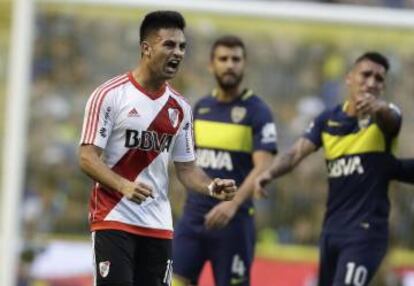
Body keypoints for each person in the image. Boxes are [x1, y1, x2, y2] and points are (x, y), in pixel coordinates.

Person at [78, 11, 237, 286]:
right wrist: (123, 185)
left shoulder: (181, 108)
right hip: (113, 218)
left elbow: (186, 168)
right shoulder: (110, 95)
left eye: (182, 46)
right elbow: (87, 157)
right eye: (169, 45)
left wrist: (211, 187)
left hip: (157, 224)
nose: (178, 53)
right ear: (146, 48)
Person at [254, 51, 414, 286]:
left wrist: (378, 108)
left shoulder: (385, 117)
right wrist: (269, 173)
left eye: (379, 79)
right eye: (366, 75)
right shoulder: (327, 120)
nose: (371, 82)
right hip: (332, 230)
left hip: (365, 233)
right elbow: (295, 153)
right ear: (349, 78)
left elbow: (391, 119)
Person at [173, 35, 277, 286]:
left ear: (244, 64)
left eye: (236, 59)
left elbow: (264, 165)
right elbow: (189, 163)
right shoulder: (200, 108)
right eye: (223, 59)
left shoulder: (258, 111)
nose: (230, 64)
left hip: (234, 222)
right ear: (212, 65)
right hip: (194, 217)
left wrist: (232, 205)